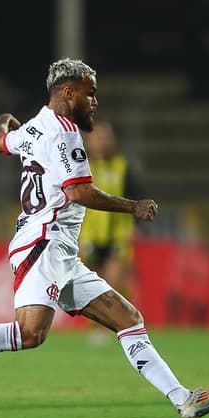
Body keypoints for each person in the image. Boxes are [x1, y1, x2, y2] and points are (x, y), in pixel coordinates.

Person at [0, 58, 209, 418]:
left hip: (59, 250)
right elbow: (79, 193)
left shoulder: (34, 128)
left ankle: (183, 398)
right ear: (68, 93)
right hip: (43, 243)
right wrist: (133, 207)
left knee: (128, 318)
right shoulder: (64, 131)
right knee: (31, 333)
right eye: (89, 94)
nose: (95, 102)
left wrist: (5, 116)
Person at [78, 120, 142, 343]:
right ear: (89, 141)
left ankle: (123, 326)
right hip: (88, 236)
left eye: (106, 137)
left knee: (112, 282)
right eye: (98, 138)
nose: (102, 142)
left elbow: (138, 199)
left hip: (118, 235)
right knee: (90, 286)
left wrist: (137, 227)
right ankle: (103, 327)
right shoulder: (80, 167)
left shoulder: (124, 167)